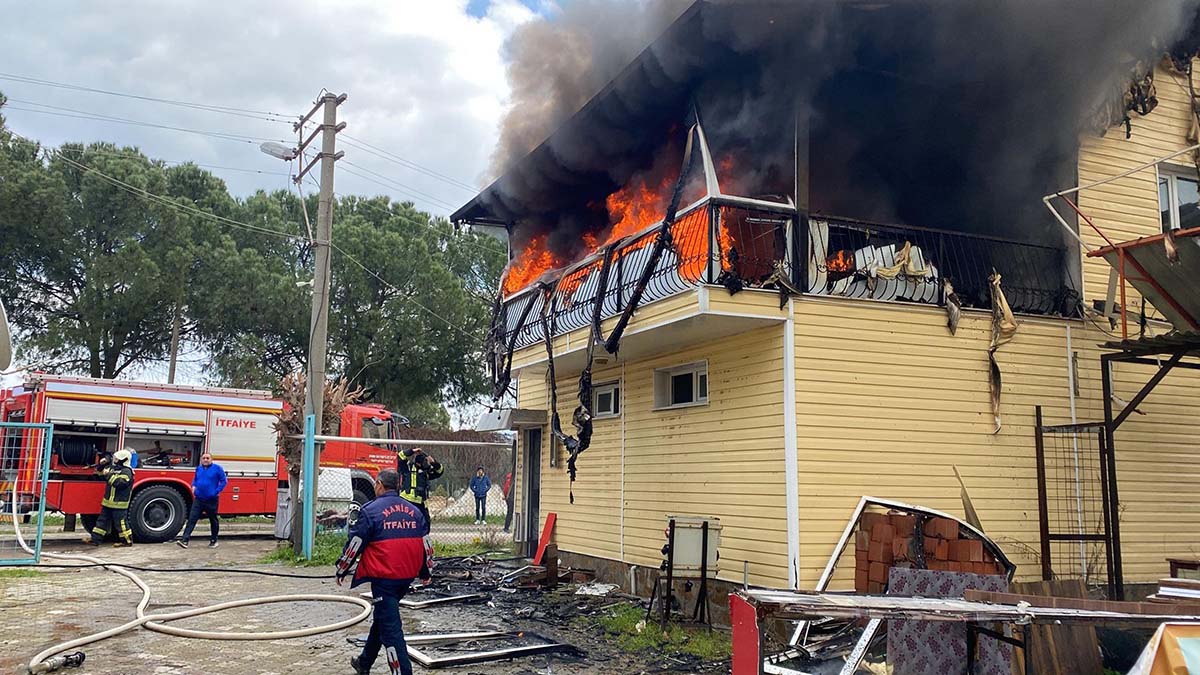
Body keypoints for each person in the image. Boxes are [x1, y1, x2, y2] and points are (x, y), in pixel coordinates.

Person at [335, 469, 428, 675]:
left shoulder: (370, 511)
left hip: (384, 579)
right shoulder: (415, 511)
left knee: (391, 632)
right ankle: (364, 662)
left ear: (378, 485)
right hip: (406, 578)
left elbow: (355, 544)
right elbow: (425, 545)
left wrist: (342, 569)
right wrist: (425, 572)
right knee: (383, 618)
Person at [177, 452, 227, 548]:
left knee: (213, 520)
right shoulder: (199, 469)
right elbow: (195, 480)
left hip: (211, 499)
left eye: (208, 458)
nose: (205, 460)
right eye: (204, 458)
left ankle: (214, 540)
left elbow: (224, 481)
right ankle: (185, 540)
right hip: (199, 498)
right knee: (192, 519)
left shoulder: (217, 469)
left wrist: (216, 491)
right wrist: (193, 486)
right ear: (201, 459)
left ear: (211, 459)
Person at [86, 447, 134, 547]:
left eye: (117, 459)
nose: (115, 460)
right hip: (107, 503)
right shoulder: (113, 469)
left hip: (119, 504)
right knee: (101, 522)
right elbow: (99, 474)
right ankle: (95, 539)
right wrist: (101, 465)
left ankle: (126, 541)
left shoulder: (127, 472)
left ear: (123, 459)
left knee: (121, 523)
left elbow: (119, 483)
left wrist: (108, 475)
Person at [396, 447, 443, 532]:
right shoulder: (407, 468)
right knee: (403, 523)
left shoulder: (427, 472)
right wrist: (412, 451)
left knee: (426, 524)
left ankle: (423, 540)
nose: (425, 464)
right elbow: (400, 456)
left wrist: (434, 462)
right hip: (406, 500)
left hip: (420, 502)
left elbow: (440, 471)